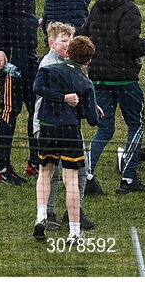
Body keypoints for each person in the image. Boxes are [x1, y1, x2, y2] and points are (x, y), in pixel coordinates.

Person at [79, 0, 145, 195]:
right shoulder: (130, 9)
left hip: (99, 77)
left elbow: (85, 32)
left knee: (104, 128)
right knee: (137, 124)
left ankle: (88, 175)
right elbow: (129, 43)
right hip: (124, 78)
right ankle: (129, 179)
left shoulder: (97, 5)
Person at [31, 35, 99, 241]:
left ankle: (41, 215)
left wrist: (58, 97)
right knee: (71, 181)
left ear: (67, 52)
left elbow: (37, 89)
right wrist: (82, 104)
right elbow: (93, 120)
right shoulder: (85, 82)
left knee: (45, 172)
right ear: (88, 61)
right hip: (70, 131)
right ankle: (74, 232)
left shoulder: (48, 70)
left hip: (47, 127)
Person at [0, 0, 48, 184]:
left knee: (35, 106)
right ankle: (1, 166)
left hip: (28, 53)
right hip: (12, 54)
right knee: (9, 108)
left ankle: (35, 162)